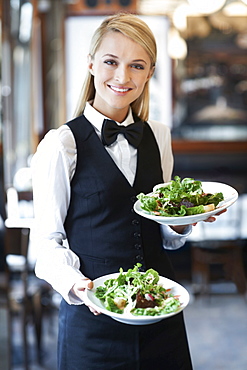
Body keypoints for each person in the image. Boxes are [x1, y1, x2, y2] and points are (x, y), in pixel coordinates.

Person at [31, 12, 222, 370]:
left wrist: (184, 222)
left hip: (161, 316)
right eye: (110, 62)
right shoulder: (61, 144)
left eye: (137, 65)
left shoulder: (159, 136)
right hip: (92, 323)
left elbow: (163, 229)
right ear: (90, 64)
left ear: (150, 72)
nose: (122, 77)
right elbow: (45, 242)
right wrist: (79, 287)